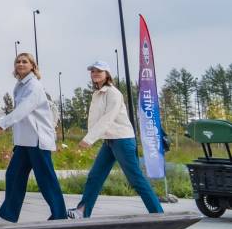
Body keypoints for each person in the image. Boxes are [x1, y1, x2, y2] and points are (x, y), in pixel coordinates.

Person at [69, 61, 164, 218]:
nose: (95, 73)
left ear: (107, 74)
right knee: (95, 176)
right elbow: (96, 118)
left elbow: (108, 118)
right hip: (109, 141)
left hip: (122, 140)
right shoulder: (98, 93)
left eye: (99, 71)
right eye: (93, 71)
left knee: (135, 179)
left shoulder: (114, 93)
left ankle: (158, 214)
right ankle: (82, 211)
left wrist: (90, 138)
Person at [0, 53, 68, 221]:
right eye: (18, 61)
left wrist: (2, 124)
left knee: (46, 179)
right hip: (24, 141)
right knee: (14, 175)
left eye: (25, 61)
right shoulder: (20, 85)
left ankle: (60, 216)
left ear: (33, 66)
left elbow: (23, 109)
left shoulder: (34, 86)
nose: (20, 64)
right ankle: (7, 215)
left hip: (37, 140)